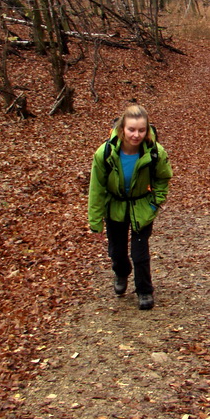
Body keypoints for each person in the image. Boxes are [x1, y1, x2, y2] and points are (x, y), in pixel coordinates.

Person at [88, 104, 172, 310]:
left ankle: (144, 290)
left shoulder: (154, 152)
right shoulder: (105, 152)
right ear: (122, 129)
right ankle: (121, 272)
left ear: (147, 130)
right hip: (114, 206)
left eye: (141, 130)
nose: (136, 135)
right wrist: (95, 221)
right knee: (117, 252)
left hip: (142, 206)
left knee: (140, 253)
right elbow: (96, 188)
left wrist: (156, 201)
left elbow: (163, 177)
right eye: (131, 129)